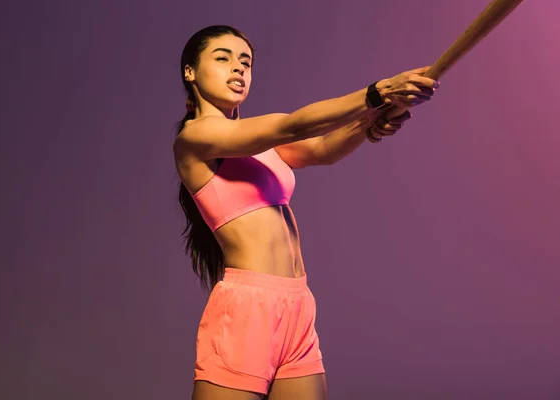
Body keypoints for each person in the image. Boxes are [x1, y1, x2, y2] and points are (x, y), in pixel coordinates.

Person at [173, 25, 439, 400]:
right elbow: (292, 124)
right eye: (223, 58)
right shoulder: (195, 138)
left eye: (245, 61)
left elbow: (323, 149)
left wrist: (374, 121)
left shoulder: (257, 145)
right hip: (248, 309)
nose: (238, 68)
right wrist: (378, 93)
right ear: (190, 72)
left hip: (296, 304)